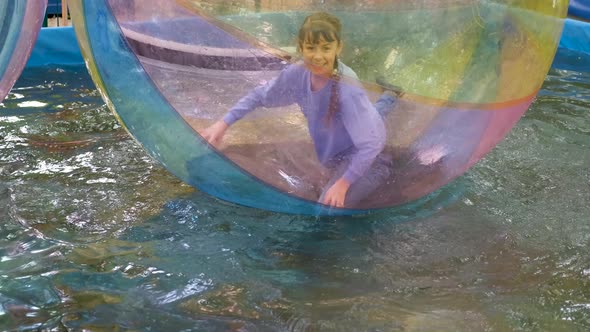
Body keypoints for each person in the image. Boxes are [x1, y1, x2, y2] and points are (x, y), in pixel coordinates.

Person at [202, 12, 399, 208]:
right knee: (368, 116)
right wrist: (223, 123)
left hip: (367, 160)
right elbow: (260, 95)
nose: (318, 56)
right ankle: (391, 94)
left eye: (326, 48)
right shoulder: (298, 73)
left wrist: (343, 183)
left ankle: (389, 111)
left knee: (326, 210)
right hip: (341, 147)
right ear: (301, 47)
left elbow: (371, 145)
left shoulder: (349, 90)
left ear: (338, 48)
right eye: (311, 48)